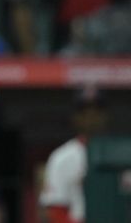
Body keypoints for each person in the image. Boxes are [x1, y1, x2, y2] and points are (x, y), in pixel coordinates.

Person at [39, 87, 108, 223]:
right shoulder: (62, 157)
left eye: (96, 110)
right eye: (84, 111)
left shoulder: (124, 154)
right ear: (75, 116)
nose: (91, 116)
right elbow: (55, 210)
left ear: (105, 115)